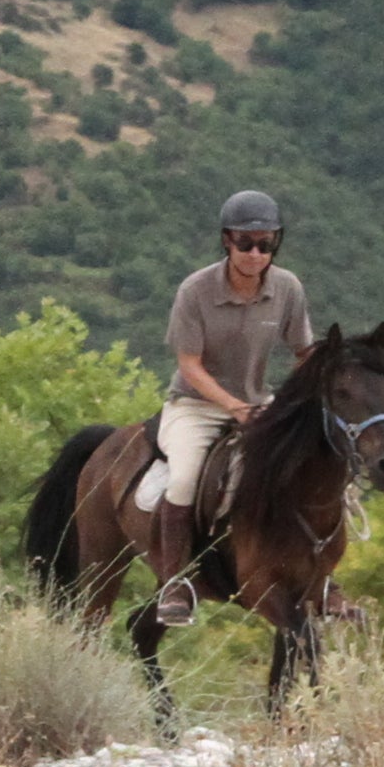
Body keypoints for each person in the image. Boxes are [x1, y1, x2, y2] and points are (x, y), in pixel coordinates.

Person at [145, 191, 312, 629]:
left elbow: (303, 352)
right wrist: (233, 406)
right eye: (246, 242)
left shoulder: (288, 288)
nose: (256, 253)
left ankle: (319, 577)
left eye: (267, 243)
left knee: (305, 466)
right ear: (226, 241)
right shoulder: (195, 291)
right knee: (182, 478)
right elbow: (189, 365)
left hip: (260, 403)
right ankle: (174, 582)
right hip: (196, 405)